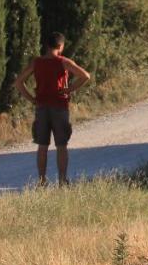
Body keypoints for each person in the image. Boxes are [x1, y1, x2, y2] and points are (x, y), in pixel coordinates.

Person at [13, 32, 91, 187]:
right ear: (60, 46)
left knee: (42, 146)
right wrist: (69, 89)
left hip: (41, 107)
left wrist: (32, 99)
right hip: (60, 107)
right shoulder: (63, 62)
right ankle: (62, 180)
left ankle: (42, 180)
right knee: (61, 145)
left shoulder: (36, 62)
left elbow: (19, 82)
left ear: (46, 45)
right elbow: (85, 76)